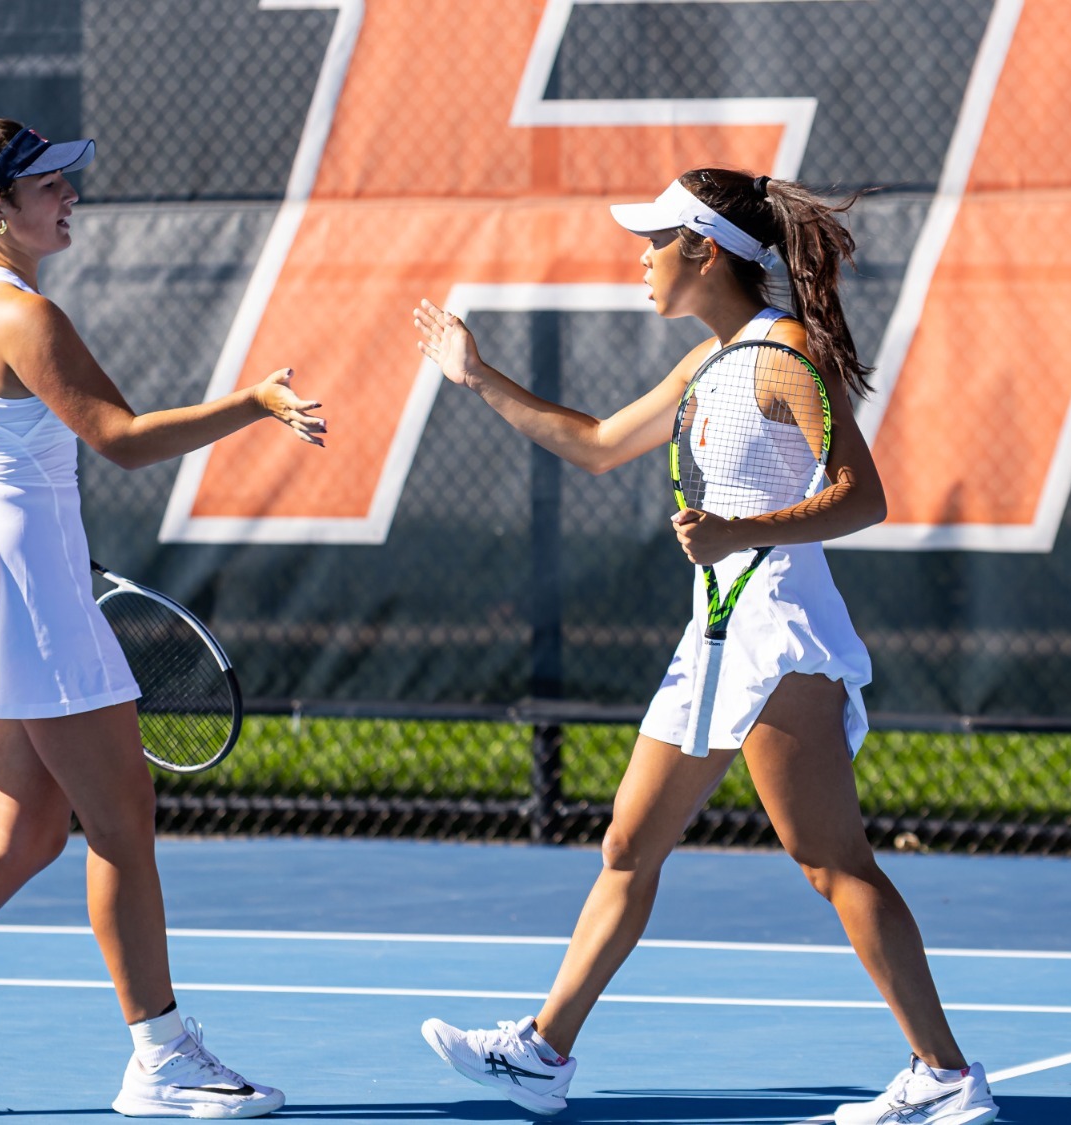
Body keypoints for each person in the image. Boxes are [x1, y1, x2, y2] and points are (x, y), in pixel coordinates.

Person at [411, 170, 997, 1125]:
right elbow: (599, 442)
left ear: (705, 251)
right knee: (628, 845)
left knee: (831, 862)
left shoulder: (783, 353)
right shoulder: (707, 363)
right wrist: (477, 375)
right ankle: (543, 1053)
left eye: (655, 240)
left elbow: (864, 496)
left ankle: (943, 1072)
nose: (639, 256)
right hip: (714, 635)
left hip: (777, 635)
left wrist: (742, 529)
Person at [0, 106, 323, 1119]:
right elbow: (120, 439)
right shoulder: (25, 315)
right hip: (26, 587)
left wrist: (34, 514)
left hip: (3, 572)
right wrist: (253, 403)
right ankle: (161, 1060)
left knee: (26, 832)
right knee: (121, 823)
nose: (69, 197)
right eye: (50, 188)